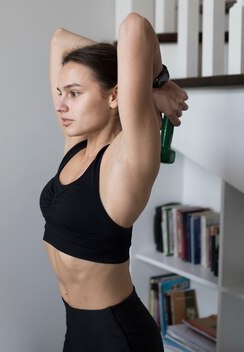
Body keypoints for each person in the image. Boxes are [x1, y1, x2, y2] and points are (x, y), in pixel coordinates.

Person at [39, 13, 189, 352]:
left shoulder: (129, 156)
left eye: (75, 93)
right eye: (62, 92)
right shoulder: (77, 145)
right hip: (76, 326)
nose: (61, 104)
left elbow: (134, 26)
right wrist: (139, 88)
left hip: (117, 336)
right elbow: (60, 39)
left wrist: (156, 83)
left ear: (114, 97)